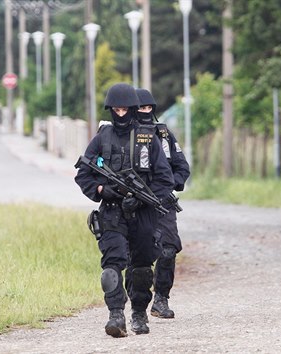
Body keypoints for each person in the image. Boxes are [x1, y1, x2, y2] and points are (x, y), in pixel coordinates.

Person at [75, 83, 174, 337]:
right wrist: (101, 191)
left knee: (141, 267)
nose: (120, 115)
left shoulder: (148, 139)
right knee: (111, 264)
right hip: (111, 212)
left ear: (132, 110)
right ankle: (115, 315)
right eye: (116, 110)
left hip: (142, 214)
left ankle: (139, 314)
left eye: (124, 110)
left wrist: (141, 200)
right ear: (111, 110)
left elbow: (164, 180)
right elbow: (84, 174)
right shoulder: (101, 139)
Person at [135, 88, 190, 319]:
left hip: (163, 203)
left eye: (149, 108)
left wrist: (169, 186)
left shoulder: (164, 135)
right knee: (138, 255)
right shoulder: (124, 136)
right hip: (135, 204)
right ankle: (137, 304)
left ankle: (161, 300)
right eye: (141, 108)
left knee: (168, 249)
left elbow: (182, 167)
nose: (145, 112)